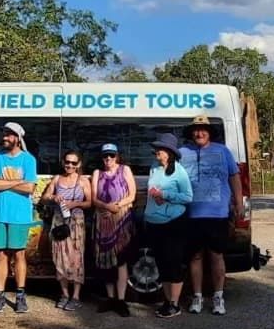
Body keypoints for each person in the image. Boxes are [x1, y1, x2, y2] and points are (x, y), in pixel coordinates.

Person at [179, 115, 243, 316]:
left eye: (203, 129)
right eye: (196, 130)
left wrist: (239, 202)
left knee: (216, 255)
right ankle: (197, 297)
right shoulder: (182, 152)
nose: (199, 133)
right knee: (195, 256)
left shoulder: (223, 151)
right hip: (191, 214)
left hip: (218, 213)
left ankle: (218, 297)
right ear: (191, 133)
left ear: (209, 133)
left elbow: (234, 177)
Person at [0, 122, 37, 313]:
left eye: (9, 135)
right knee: (1, 255)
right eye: (4, 134)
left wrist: (5, 183)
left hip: (20, 215)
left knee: (19, 254)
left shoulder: (28, 159)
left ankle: (20, 295)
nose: (5, 138)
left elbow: (30, 188)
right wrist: (18, 181)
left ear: (17, 138)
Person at [145, 133, 193, 318]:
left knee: (174, 262)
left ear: (169, 152)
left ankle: (174, 303)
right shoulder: (154, 168)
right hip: (154, 223)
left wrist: (165, 195)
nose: (156, 151)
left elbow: (188, 197)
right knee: (162, 263)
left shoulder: (179, 171)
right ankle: (167, 300)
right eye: (156, 148)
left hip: (173, 223)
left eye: (160, 149)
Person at [41, 150, 92, 311]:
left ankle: (76, 296)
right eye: (67, 162)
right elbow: (44, 198)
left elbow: (89, 202)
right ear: (63, 162)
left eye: (73, 163)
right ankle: (64, 294)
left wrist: (75, 204)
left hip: (76, 222)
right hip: (59, 221)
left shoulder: (83, 181)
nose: (70, 165)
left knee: (76, 257)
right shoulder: (57, 179)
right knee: (60, 256)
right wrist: (53, 197)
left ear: (79, 164)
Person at [91, 143, 137, 317]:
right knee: (105, 259)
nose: (108, 159)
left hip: (122, 219)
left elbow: (132, 195)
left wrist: (115, 206)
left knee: (121, 259)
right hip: (103, 220)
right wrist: (106, 207)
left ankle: (121, 299)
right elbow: (94, 198)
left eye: (111, 155)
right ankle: (110, 298)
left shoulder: (125, 170)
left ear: (117, 156)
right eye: (105, 156)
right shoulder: (97, 173)